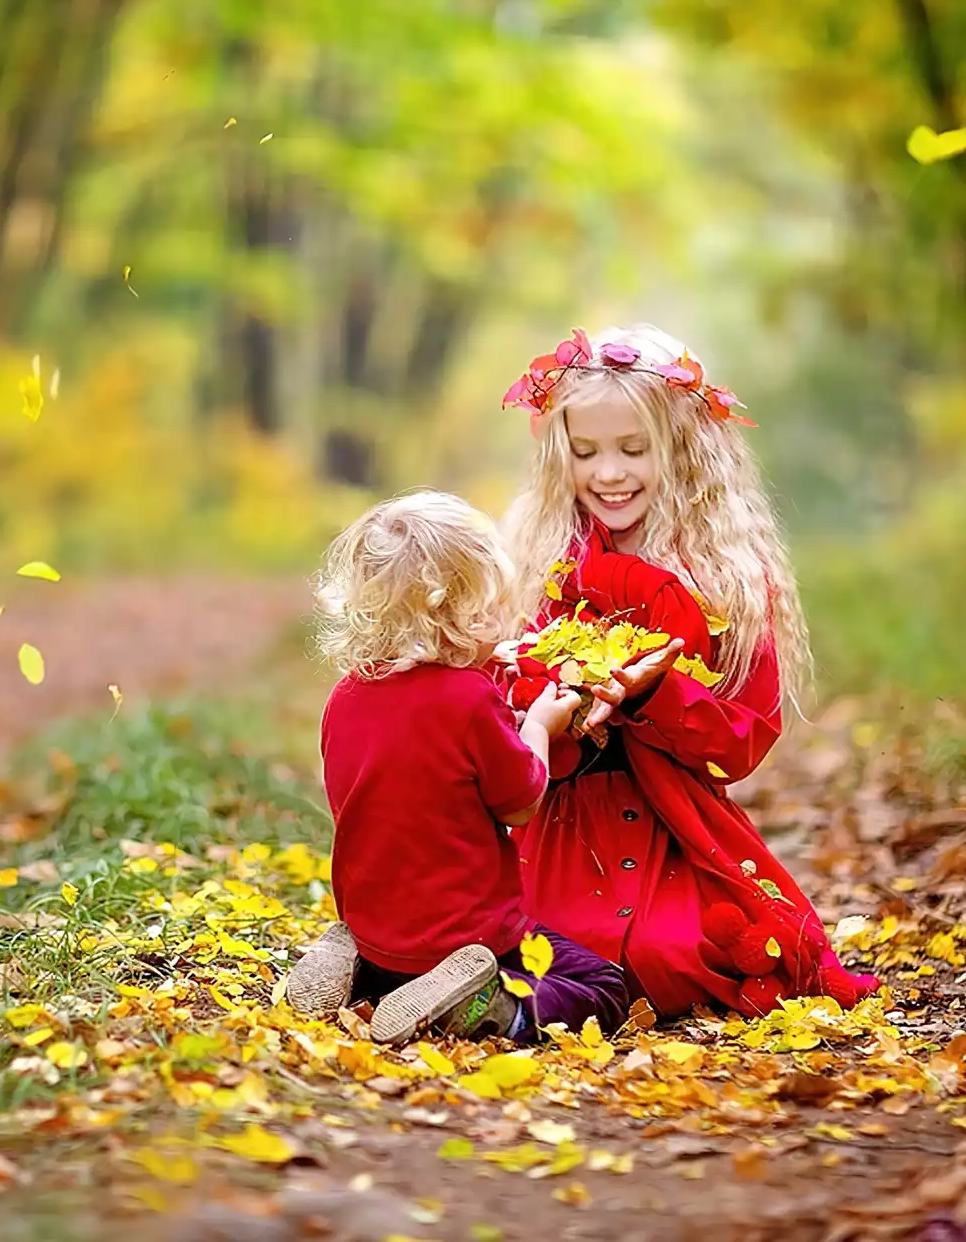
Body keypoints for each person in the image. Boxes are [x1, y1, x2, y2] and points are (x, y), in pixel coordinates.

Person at [497, 323, 880, 1016]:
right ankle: (400, 964)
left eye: (633, 450)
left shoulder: (729, 574)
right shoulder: (542, 556)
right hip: (559, 819)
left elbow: (741, 741)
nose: (608, 473)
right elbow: (502, 685)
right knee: (518, 937)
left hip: (671, 822)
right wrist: (554, 698)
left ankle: (532, 999)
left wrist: (657, 694)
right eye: (585, 452)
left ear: (683, 448)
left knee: (681, 955)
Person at [285, 490, 630, 1046]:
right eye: (492, 609)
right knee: (600, 984)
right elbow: (521, 801)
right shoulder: (469, 701)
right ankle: (491, 1007)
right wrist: (539, 726)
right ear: (459, 618)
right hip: (469, 937)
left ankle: (355, 968)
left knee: (394, 958)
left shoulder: (347, 695)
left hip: (379, 926)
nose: (507, 620)